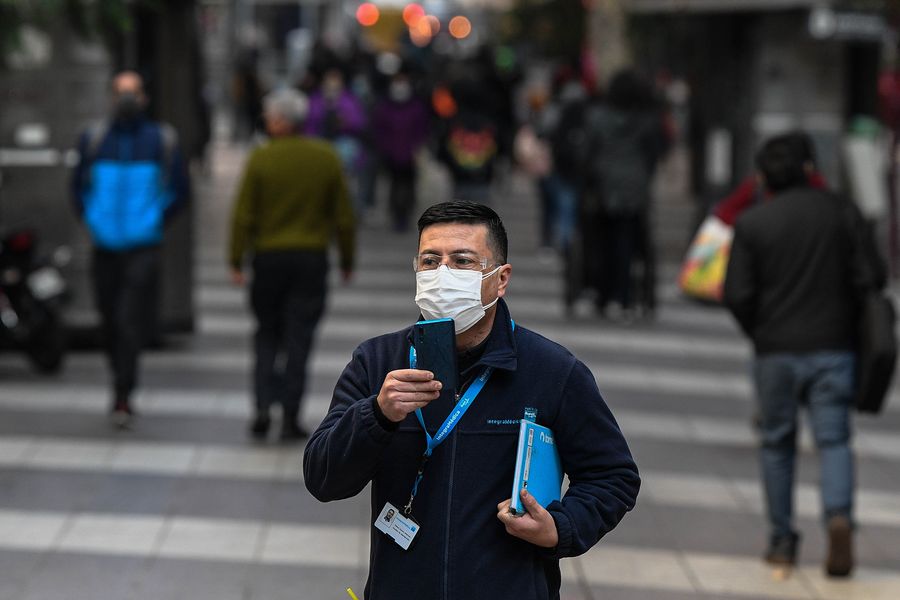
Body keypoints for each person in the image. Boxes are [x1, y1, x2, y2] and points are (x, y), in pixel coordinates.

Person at [303, 201, 639, 599]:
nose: (442, 275)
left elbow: (613, 476)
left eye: (462, 261)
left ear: (500, 279)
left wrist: (560, 529)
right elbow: (323, 477)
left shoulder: (552, 371)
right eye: (430, 261)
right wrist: (377, 414)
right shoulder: (377, 363)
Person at [723, 134, 886, 577]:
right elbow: (872, 275)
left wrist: (761, 329)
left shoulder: (754, 223)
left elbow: (736, 293)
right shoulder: (842, 212)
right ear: (811, 168)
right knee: (833, 439)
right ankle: (839, 517)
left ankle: (781, 539)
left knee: (777, 444)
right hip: (834, 348)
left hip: (774, 351)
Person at [228, 89, 356, 442]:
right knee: (300, 338)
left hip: (268, 260)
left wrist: (236, 259)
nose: (267, 122)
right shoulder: (326, 158)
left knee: (266, 333)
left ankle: (261, 408)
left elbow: (243, 214)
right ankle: (290, 416)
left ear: (282, 121)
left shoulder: (261, 158)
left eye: (271, 117)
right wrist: (346, 259)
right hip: (310, 261)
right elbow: (343, 216)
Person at [71, 70, 190, 428]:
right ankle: (119, 379)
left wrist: (153, 219)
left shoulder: (160, 140)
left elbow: (180, 191)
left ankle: (123, 394)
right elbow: (77, 187)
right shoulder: (94, 139)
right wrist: (94, 218)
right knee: (108, 320)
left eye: (133, 92)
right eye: (121, 92)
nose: (126, 99)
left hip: (142, 247)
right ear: (111, 96)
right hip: (105, 247)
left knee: (127, 320)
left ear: (143, 98)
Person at [371, 70, 430, 232]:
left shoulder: (416, 107)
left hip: (410, 155)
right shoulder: (384, 107)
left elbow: (422, 129)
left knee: (408, 186)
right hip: (391, 154)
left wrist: (418, 148)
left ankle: (406, 214)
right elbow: (379, 129)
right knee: (394, 186)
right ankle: (396, 215)